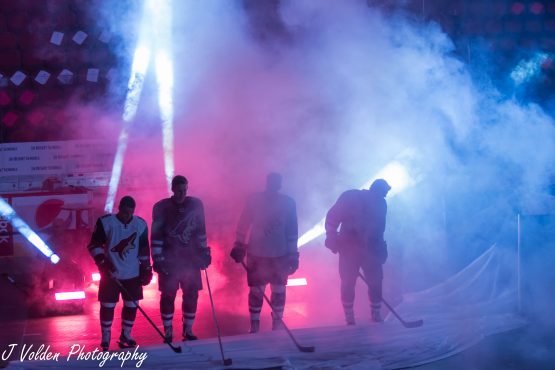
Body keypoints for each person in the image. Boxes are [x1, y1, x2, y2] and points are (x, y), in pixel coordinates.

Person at [230, 172, 299, 333]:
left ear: (279, 184)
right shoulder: (254, 200)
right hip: (257, 253)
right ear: (267, 183)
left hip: (280, 254)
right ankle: (254, 325)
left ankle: (277, 323)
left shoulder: (288, 203)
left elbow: (292, 230)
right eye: (272, 182)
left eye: (276, 182)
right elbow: (243, 224)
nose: (274, 185)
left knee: (279, 290)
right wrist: (239, 245)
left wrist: (293, 254)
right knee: (256, 291)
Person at [151, 175, 211, 342]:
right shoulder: (161, 207)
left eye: (184, 190)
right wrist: (157, 258)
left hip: (190, 258)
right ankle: (168, 330)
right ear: (172, 189)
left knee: (191, 293)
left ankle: (188, 329)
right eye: (178, 190)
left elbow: (201, 230)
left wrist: (205, 252)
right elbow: (156, 235)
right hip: (170, 259)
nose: (182, 194)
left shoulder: (196, 204)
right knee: (168, 294)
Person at [87, 196, 152, 350]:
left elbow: (143, 249)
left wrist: (147, 268)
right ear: (119, 209)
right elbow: (93, 245)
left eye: (130, 213)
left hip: (132, 274)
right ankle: (106, 336)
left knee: (131, 305)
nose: (127, 216)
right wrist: (102, 261)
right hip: (111, 274)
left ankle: (126, 334)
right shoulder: (106, 222)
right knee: (107, 305)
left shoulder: (140, 224)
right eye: (124, 212)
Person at [325, 179, 391, 325]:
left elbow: (380, 229)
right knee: (348, 281)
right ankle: (349, 316)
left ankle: (376, 313)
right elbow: (332, 217)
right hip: (349, 248)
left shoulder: (381, 204)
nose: (385, 196)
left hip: (371, 249)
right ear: (376, 190)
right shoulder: (350, 197)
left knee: (376, 281)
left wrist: (381, 248)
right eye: (384, 193)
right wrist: (331, 236)